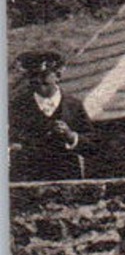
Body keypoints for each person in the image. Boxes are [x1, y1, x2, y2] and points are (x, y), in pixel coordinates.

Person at [10, 50, 88, 181]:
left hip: (67, 177)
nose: (39, 84)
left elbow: (92, 143)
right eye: (33, 79)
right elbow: (10, 139)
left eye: (45, 79)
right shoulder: (18, 106)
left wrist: (71, 136)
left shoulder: (73, 106)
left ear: (57, 76)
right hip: (29, 178)